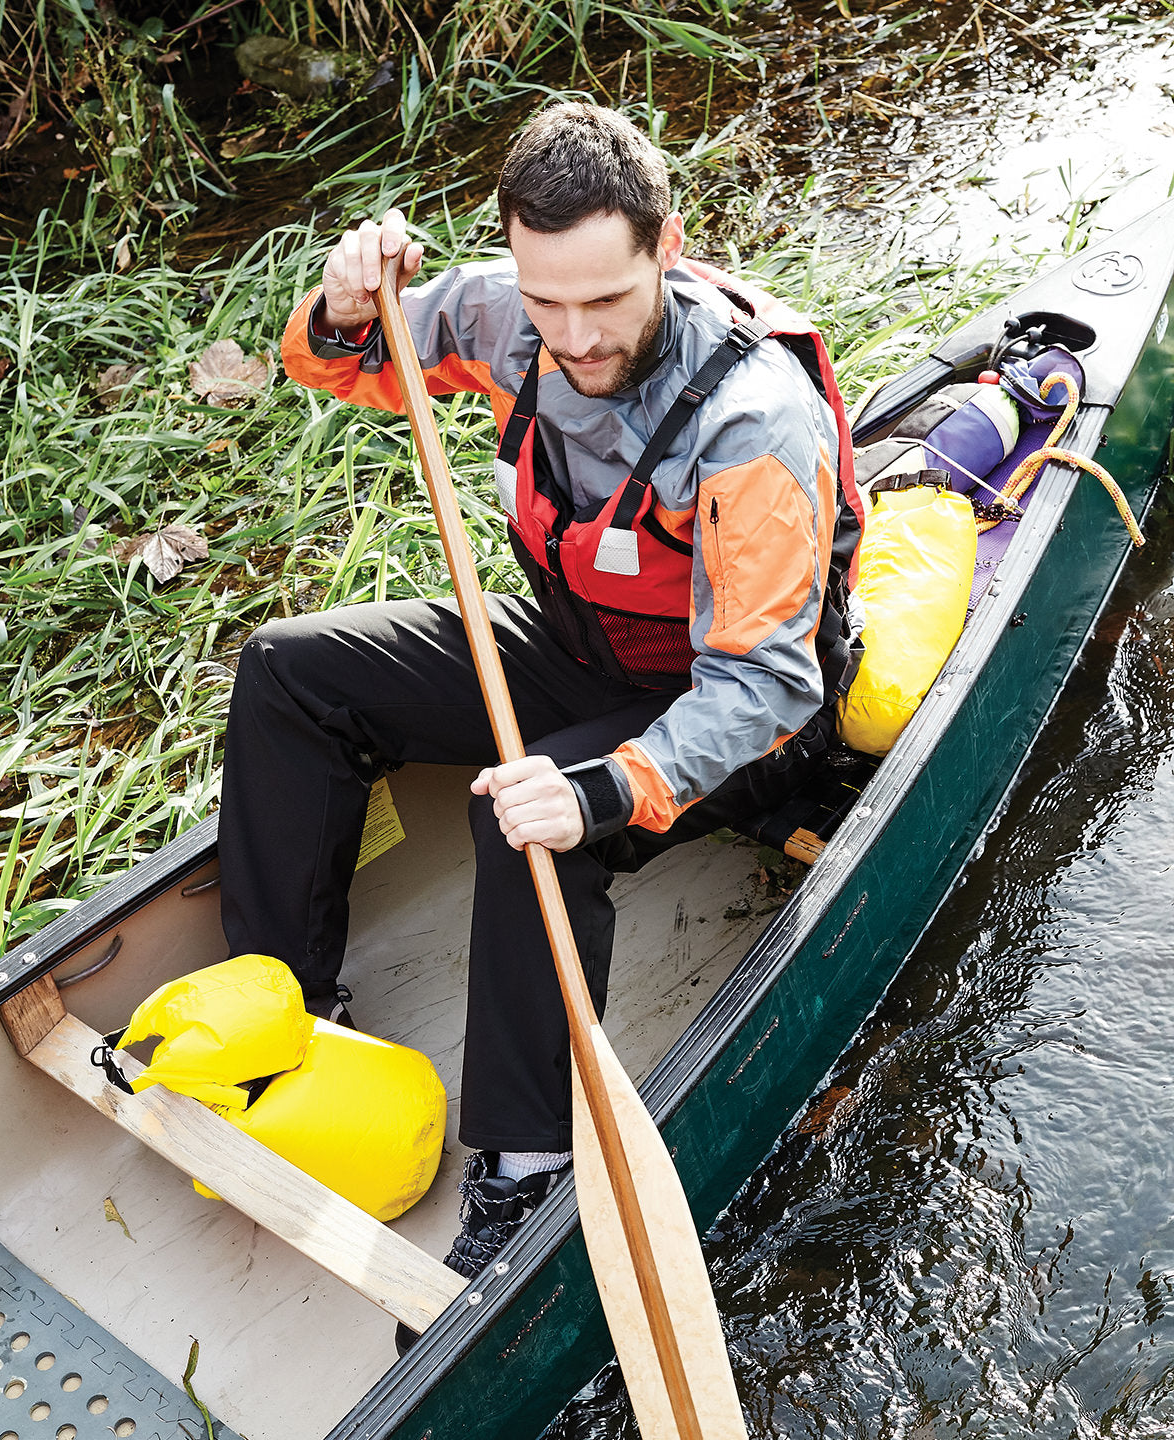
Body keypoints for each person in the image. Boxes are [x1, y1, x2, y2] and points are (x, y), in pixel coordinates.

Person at [216, 102, 863, 1311]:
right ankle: (280, 1006)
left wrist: (598, 791)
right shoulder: (511, 314)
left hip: (723, 716)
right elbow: (343, 363)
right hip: (572, 650)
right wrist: (349, 303)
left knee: (522, 823)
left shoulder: (751, 423)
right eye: (545, 300)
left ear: (667, 247)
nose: (571, 335)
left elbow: (769, 683)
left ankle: (526, 1161)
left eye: (604, 301)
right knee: (290, 672)